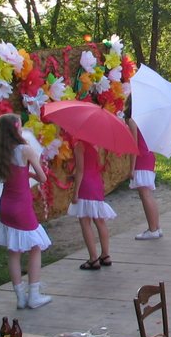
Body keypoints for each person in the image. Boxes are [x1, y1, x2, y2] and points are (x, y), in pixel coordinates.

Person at [0, 113, 52, 309]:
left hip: (6, 205)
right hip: (22, 206)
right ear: (16, 129)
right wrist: (29, 173)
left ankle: (20, 297)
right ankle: (34, 294)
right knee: (35, 247)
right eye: (20, 125)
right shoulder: (25, 150)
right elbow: (42, 178)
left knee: (13, 251)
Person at [68, 139, 117, 270]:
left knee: (85, 221)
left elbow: (80, 171)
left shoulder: (79, 146)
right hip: (96, 182)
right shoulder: (95, 143)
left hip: (86, 185)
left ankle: (93, 258)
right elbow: (91, 164)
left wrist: (75, 193)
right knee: (100, 220)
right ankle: (105, 255)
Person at [126, 98, 162, 240]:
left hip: (141, 158)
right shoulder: (147, 119)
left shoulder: (133, 121)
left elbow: (134, 146)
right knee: (148, 194)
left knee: (145, 195)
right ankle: (156, 227)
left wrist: (131, 168)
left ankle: (152, 229)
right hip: (148, 155)